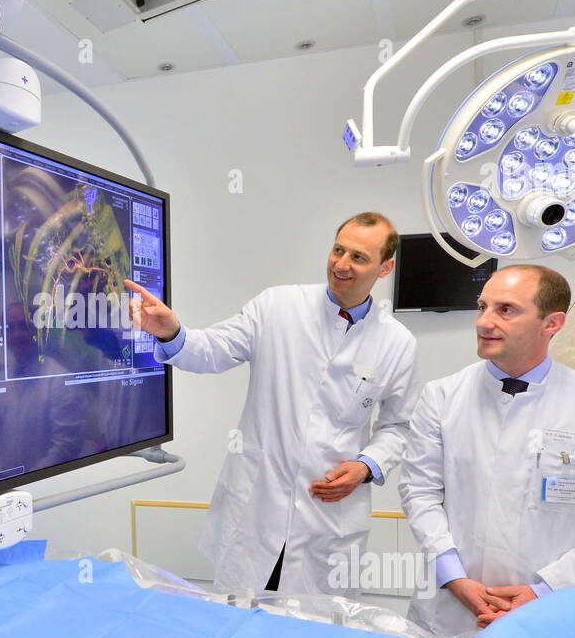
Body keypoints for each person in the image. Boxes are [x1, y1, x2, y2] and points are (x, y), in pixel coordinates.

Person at [124, 212, 418, 596]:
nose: (341, 264)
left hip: (327, 520)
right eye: (337, 250)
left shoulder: (397, 343)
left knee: (312, 637)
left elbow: (398, 426)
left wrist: (367, 466)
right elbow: (212, 350)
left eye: (359, 257)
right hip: (257, 511)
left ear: (385, 267)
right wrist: (172, 332)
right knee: (239, 626)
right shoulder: (277, 306)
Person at [399, 264, 575, 638]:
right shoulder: (441, 397)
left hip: (551, 619)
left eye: (506, 310)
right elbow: (420, 493)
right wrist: (453, 578)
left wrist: (543, 591)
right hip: (449, 612)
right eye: (482, 306)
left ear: (551, 323)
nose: (483, 322)